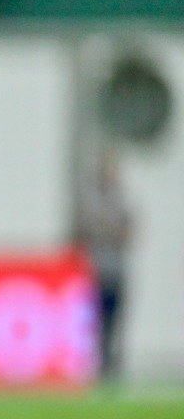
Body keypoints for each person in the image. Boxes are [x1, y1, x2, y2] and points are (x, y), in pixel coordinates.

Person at [75, 150, 132, 380]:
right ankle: (97, 362)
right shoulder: (91, 200)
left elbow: (128, 230)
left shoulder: (122, 199)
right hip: (96, 270)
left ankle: (112, 362)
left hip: (117, 268)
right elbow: (87, 228)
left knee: (115, 318)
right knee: (96, 319)